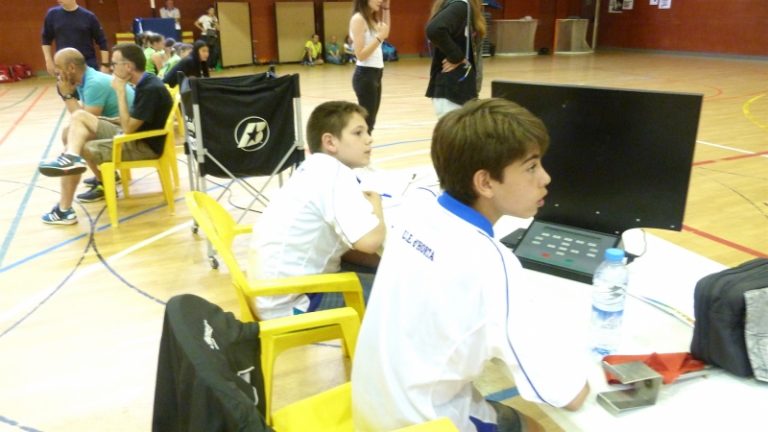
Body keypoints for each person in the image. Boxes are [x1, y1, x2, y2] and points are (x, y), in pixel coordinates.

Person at [352, 98, 591, 431]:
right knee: (539, 426)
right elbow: (566, 395)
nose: (545, 177)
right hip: (423, 423)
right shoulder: (492, 265)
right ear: (485, 183)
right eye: (531, 167)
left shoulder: (417, 205)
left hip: (370, 405)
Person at [247, 101, 385, 320]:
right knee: (398, 291)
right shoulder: (334, 174)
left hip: (267, 293)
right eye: (358, 133)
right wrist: (376, 204)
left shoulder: (315, 166)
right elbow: (370, 242)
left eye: (367, 131)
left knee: (383, 267)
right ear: (330, 142)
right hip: (292, 304)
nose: (369, 139)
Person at [38, 43, 174, 224]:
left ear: (128, 66)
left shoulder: (150, 89)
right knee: (75, 126)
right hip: (133, 136)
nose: (111, 68)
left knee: (78, 136)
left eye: (114, 64)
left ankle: (65, 207)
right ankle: (70, 164)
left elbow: (128, 128)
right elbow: (133, 120)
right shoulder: (146, 81)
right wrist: (106, 120)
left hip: (142, 145)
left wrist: (120, 91)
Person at [425, 0, 487, 117]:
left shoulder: (460, 5)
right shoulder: (461, 5)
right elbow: (435, 29)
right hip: (454, 91)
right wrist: (456, 56)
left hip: (456, 90)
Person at [349, 0, 390, 133]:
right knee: (367, 122)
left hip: (376, 74)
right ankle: (357, 144)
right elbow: (360, 55)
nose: (380, 0)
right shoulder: (358, 19)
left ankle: (362, 144)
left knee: (370, 121)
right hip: (365, 75)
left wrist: (386, 8)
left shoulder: (371, 19)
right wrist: (379, 37)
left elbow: (385, 31)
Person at [41, 0, 111, 76]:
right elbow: (46, 39)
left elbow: (102, 42)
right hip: (64, 66)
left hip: (87, 65)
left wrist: (105, 65)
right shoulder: (52, 14)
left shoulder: (89, 17)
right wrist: (48, 61)